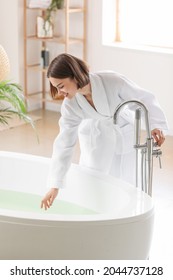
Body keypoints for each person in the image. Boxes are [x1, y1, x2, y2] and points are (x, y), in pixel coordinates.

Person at [41, 53, 168, 210]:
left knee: (126, 182)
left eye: (61, 86)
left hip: (123, 135)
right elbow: (64, 143)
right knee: (97, 187)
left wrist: (156, 125)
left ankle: (128, 215)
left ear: (74, 76)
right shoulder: (70, 104)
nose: (60, 93)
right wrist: (55, 185)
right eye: (56, 88)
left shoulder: (112, 81)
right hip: (96, 140)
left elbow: (143, 98)